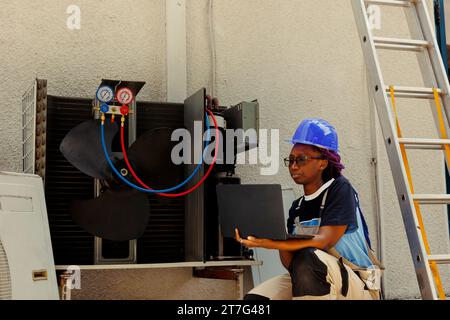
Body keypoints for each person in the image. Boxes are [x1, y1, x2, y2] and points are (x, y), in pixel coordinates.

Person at [235, 118, 383, 300]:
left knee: (308, 259)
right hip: (313, 275)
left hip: (359, 284)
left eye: (301, 159)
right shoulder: (296, 208)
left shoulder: (340, 189)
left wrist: (269, 243)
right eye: (290, 160)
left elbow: (324, 241)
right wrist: (272, 234)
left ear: (323, 162)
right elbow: (292, 265)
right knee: (257, 300)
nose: (293, 166)